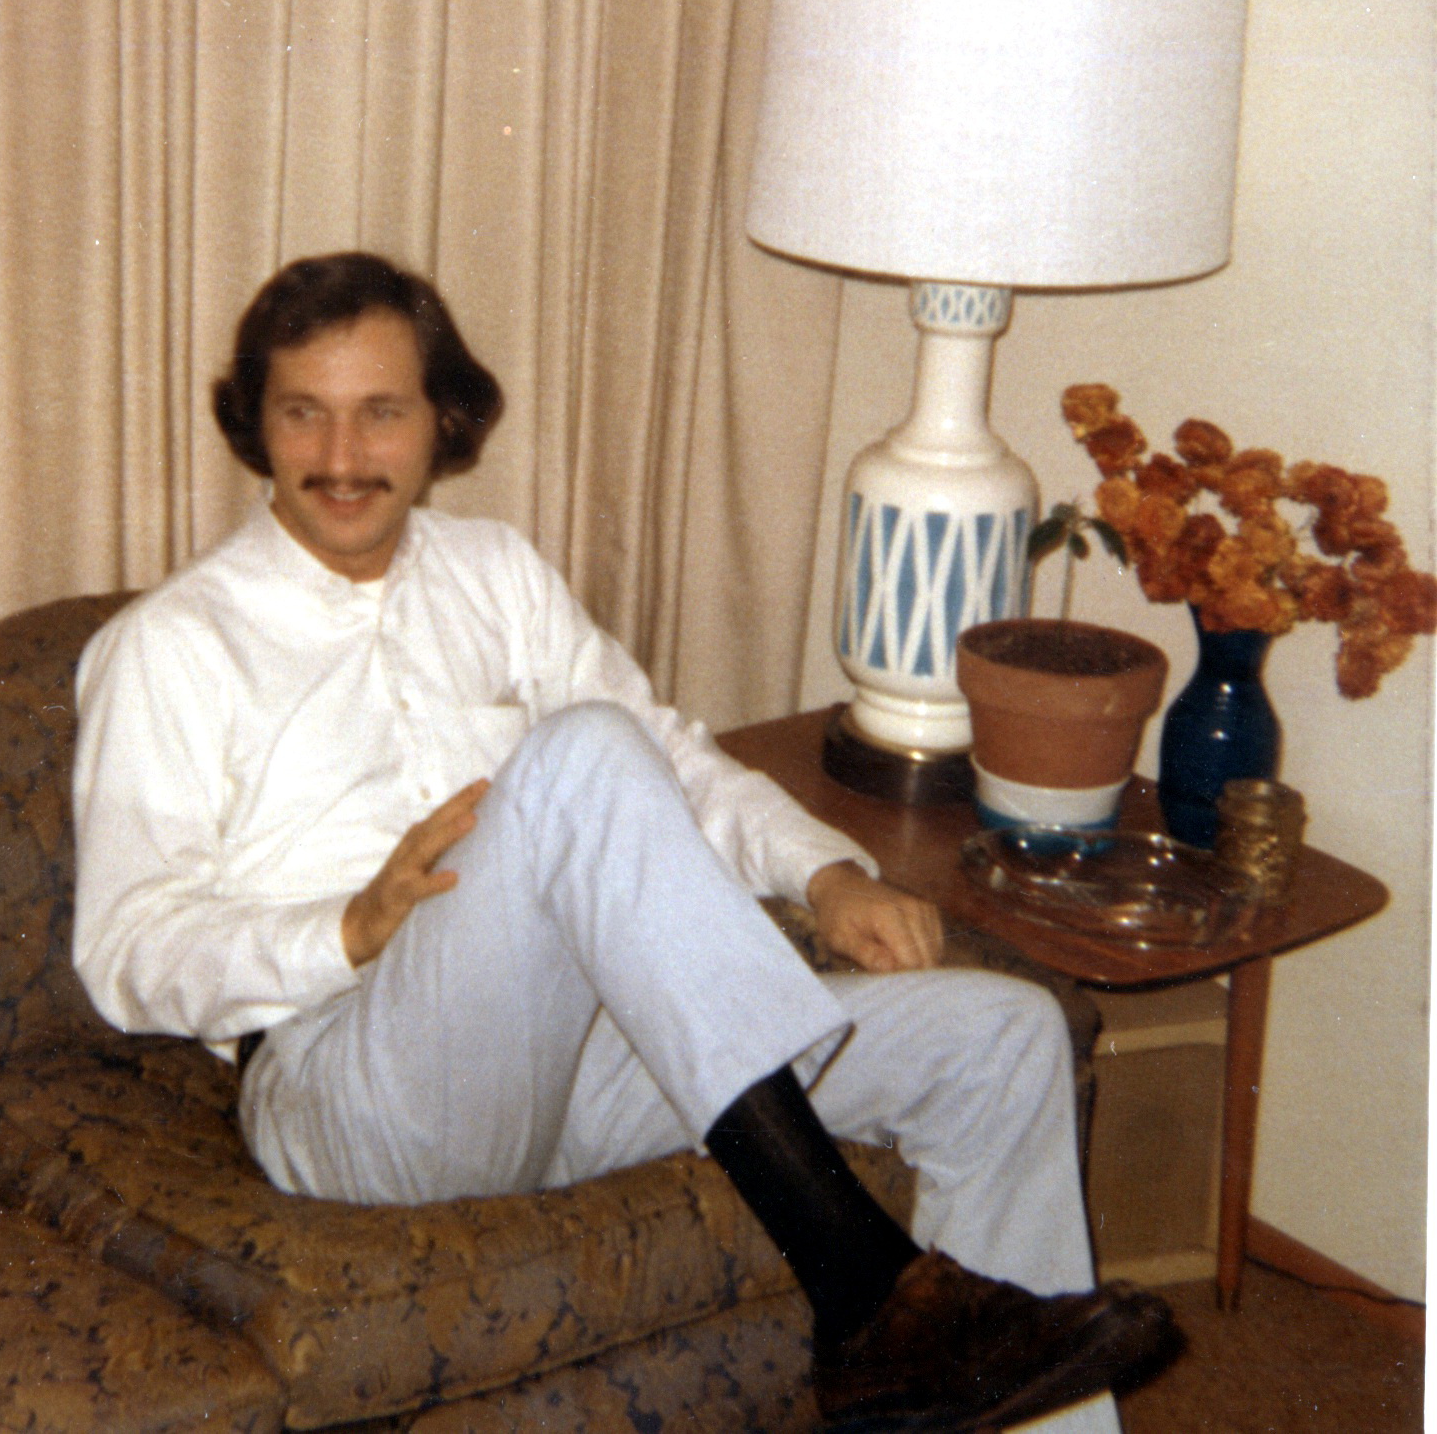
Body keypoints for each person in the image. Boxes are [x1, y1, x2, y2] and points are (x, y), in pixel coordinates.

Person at [70, 252, 1176, 1433]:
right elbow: (125, 951)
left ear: (442, 421)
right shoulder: (171, 644)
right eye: (304, 412)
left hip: (564, 1057)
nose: (341, 456)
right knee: (580, 756)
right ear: (255, 424)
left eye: (379, 411)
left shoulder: (495, 572)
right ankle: (862, 1285)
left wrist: (822, 872)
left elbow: (668, 757)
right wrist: (344, 926)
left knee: (1001, 1037)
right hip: (345, 1088)